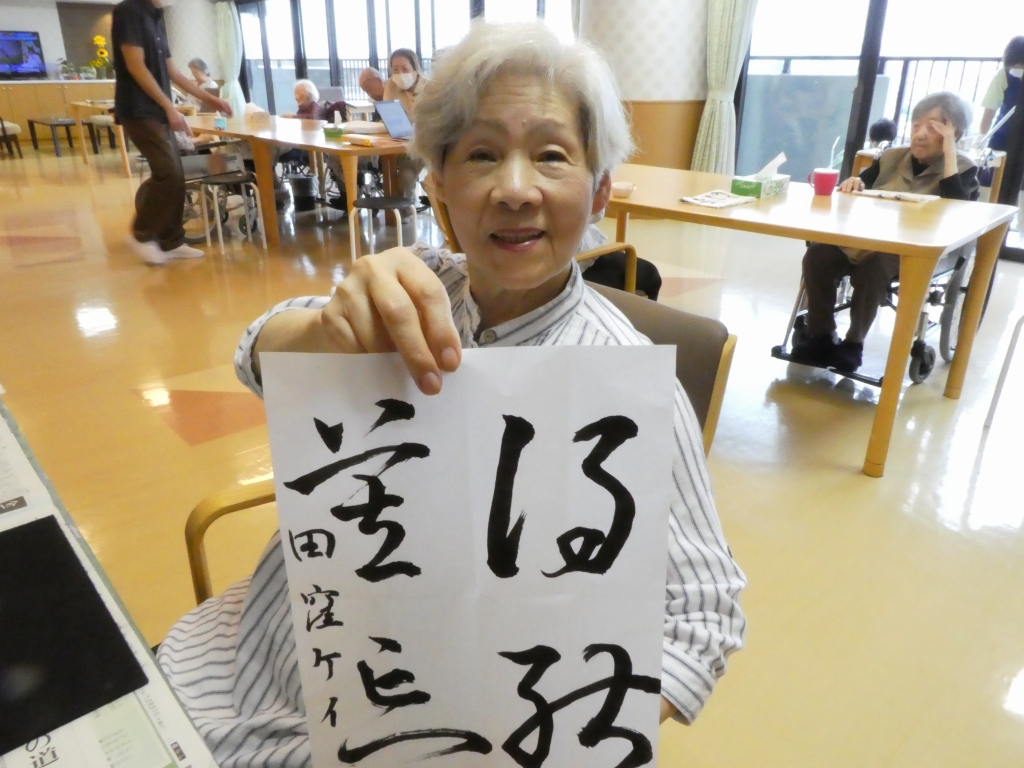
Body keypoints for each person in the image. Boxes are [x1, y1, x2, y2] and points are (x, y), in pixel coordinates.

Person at [157, 22, 746, 765]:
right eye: (481, 154)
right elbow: (256, 357)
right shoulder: (412, 289)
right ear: (437, 187)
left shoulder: (618, 384)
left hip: (454, 731)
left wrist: (561, 733)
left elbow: (703, 617)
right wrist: (327, 330)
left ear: (599, 190)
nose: (515, 189)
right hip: (272, 665)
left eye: (552, 154)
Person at [792, 92, 979, 373]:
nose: (919, 134)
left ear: (954, 133)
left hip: (915, 252)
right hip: (864, 239)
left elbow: (956, 210)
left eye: (932, 127)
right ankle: (822, 335)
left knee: (874, 267)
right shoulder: (892, 157)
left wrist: (951, 151)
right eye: (916, 125)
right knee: (818, 255)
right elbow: (858, 187)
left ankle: (853, 344)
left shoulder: (963, 167)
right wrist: (853, 183)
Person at [112, 0, 232, 265]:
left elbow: (172, 71)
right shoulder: (128, 11)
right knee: (168, 173)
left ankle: (171, 241)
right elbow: (135, 65)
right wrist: (170, 107)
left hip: (156, 111)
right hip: (138, 109)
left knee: (177, 175)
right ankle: (141, 235)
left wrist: (210, 98)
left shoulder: (155, 16)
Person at [383, 48, 427, 200]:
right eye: (395, 69)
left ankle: (405, 210)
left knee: (405, 175)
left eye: (405, 69)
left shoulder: (430, 88)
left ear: (415, 69)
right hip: (397, 140)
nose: (400, 74)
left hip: (423, 143)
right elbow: (388, 114)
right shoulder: (390, 85)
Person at [979, 36, 1024, 151]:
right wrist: (982, 138)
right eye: (1015, 66)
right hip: (1003, 134)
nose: (1018, 69)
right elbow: (990, 110)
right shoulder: (1002, 75)